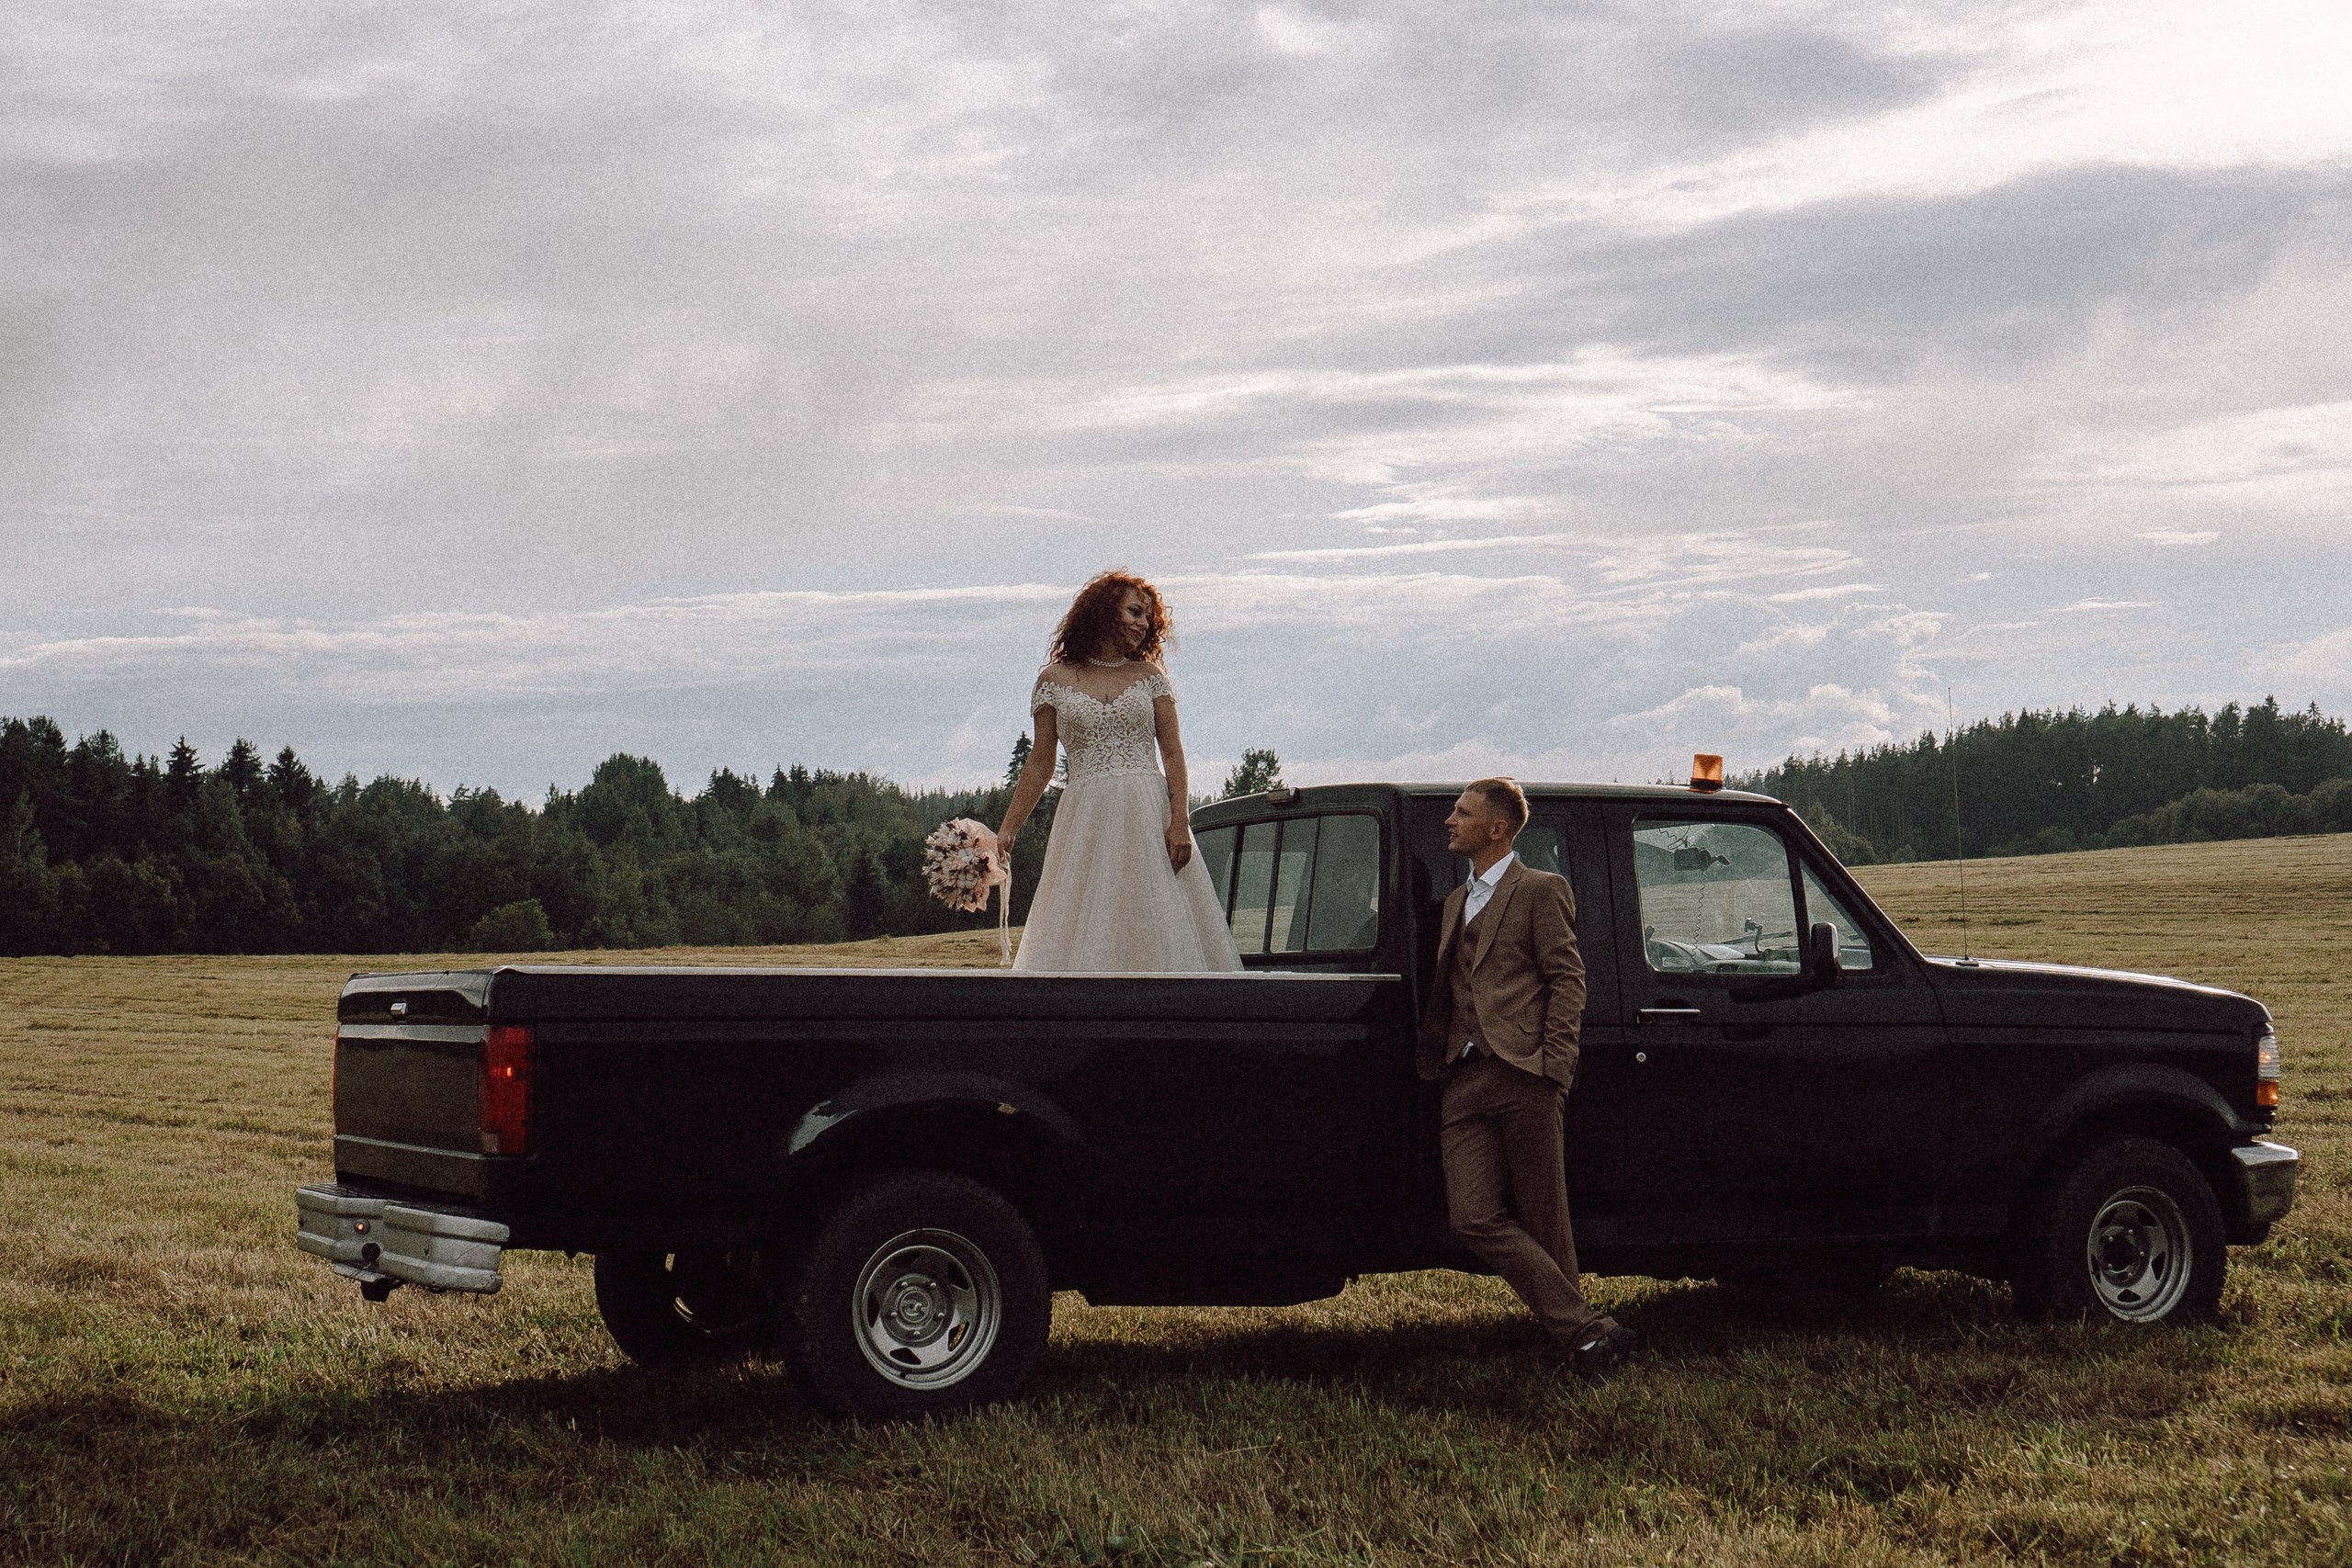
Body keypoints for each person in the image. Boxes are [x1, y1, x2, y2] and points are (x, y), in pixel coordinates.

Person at [1418, 777, 1635, 1387]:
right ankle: (1591, 1329)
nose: (1449, 821)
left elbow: (1568, 980)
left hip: (1524, 1075)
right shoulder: (1454, 904)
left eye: (1462, 813)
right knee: (1473, 1217)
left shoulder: (1541, 890)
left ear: (1498, 829)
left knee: (1546, 1219)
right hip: (1462, 1080)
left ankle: (1581, 1350)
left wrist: (1553, 1068)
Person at [996, 571, 1243, 973]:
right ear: (1104, 611)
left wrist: (1179, 820)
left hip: (1150, 813)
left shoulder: (1150, 678)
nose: (1143, 623)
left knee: (1157, 914)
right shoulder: (1052, 681)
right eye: (1134, 612)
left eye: (1147, 616)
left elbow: (1173, 753)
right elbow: (1040, 760)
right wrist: (1008, 829)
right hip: (1085, 817)